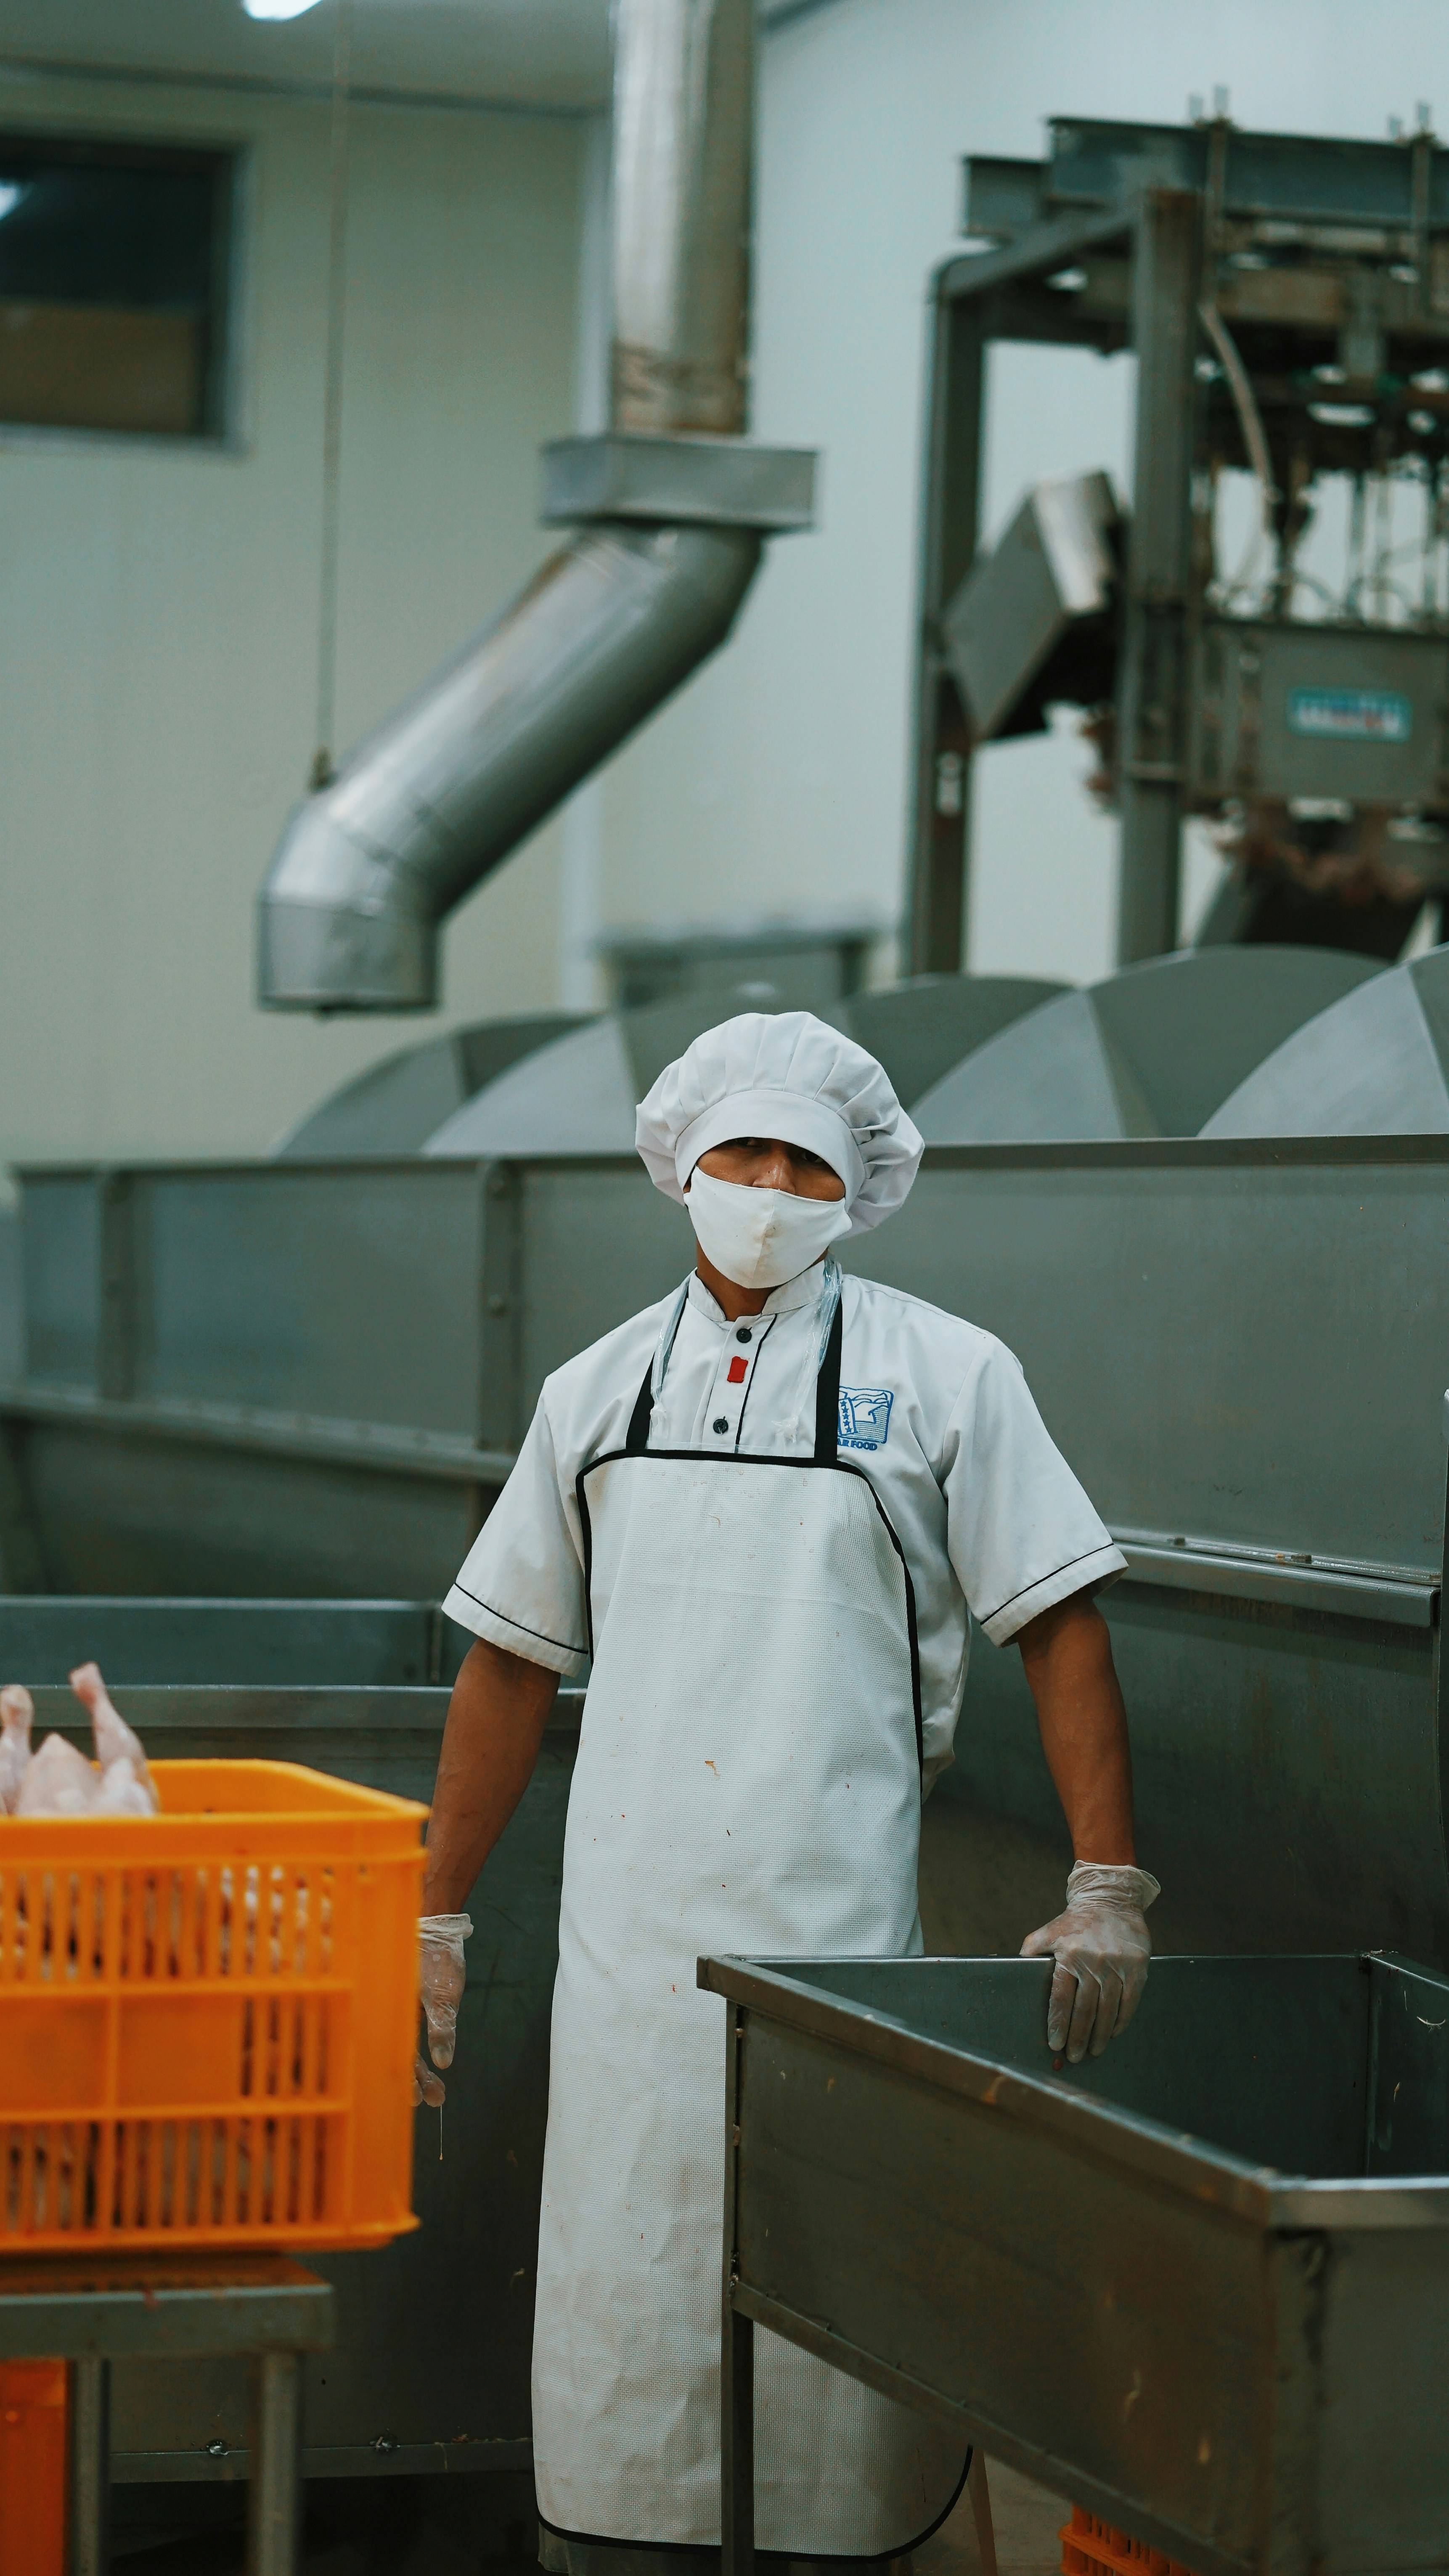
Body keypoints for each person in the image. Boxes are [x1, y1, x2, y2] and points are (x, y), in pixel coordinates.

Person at [415, 1011, 1158, 2576]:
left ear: (853, 1186)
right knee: (630, 2314)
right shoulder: (595, 1391)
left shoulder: (945, 1374)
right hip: (629, 1967)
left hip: (835, 1947)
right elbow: (505, 1664)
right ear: (684, 1166)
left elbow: (1062, 1622)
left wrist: (1107, 1887)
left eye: (801, 1160)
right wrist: (431, 1908)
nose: (766, 1185)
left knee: (837, 2350)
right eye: (740, 1152)